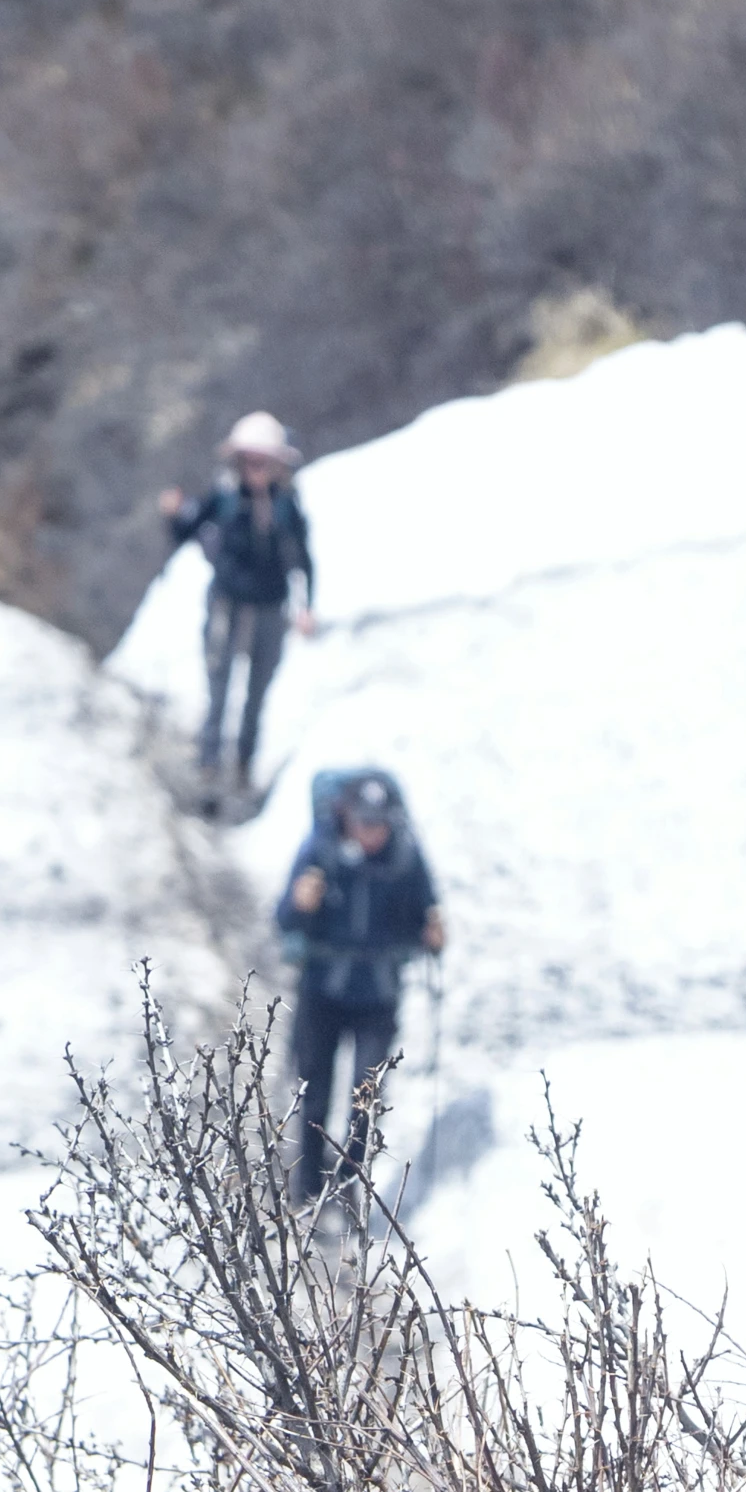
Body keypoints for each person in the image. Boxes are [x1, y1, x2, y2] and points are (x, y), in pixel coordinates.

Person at [275, 768, 445, 1205]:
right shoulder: (321, 849)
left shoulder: (405, 857)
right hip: (322, 991)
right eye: (363, 820)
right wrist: (299, 904)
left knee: (364, 1101)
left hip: (378, 996)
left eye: (379, 822)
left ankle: (352, 1192)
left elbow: (425, 912)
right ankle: (306, 1193)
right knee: (312, 1095)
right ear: (346, 815)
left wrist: (430, 931)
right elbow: (285, 919)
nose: (371, 831)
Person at [159, 412, 316, 807]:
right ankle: (209, 764)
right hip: (227, 604)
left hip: (270, 608)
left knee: (257, 690)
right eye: (249, 461)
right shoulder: (225, 496)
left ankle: (244, 763)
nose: (255, 470)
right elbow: (190, 529)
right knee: (219, 685)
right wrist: (175, 514)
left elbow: (302, 557)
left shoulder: (287, 505)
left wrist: (307, 605)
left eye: (263, 461)